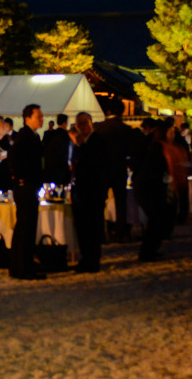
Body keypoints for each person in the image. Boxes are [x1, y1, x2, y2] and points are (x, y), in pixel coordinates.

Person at [94, 98, 141, 242]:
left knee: (99, 202)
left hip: (102, 169)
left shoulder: (98, 128)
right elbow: (132, 152)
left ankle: (100, 234)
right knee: (121, 202)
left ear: (107, 111)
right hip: (119, 168)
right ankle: (121, 233)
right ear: (122, 111)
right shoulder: (127, 130)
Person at [9, 104, 47, 280]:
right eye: (38, 116)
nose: (42, 119)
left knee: (24, 227)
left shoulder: (31, 135)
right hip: (26, 186)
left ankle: (20, 265)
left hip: (28, 185)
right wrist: (22, 178)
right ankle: (23, 267)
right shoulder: (25, 136)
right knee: (26, 228)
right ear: (27, 118)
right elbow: (15, 158)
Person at [69, 112, 108, 273]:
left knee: (92, 228)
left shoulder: (97, 140)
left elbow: (93, 162)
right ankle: (86, 258)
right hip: (81, 189)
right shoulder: (81, 143)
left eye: (84, 123)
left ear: (90, 124)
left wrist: (80, 145)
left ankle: (92, 261)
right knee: (82, 228)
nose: (82, 127)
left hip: (93, 191)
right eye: (79, 124)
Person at [133, 124, 171, 262]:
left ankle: (151, 249)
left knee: (156, 219)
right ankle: (147, 251)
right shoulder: (158, 148)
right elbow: (157, 167)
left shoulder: (155, 146)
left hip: (148, 185)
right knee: (156, 218)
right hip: (149, 187)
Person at [162, 122, 190, 227]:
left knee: (174, 196)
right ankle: (182, 215)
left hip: (175, 171)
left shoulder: (172, 144)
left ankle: (176, 216)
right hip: (181, 171)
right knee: (182, 196)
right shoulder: (182, 142)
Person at [43, 113, 72, 186]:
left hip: (50, 168)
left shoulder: (50, 134)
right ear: (65, 123)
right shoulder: (66, 136)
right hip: (62, 170)